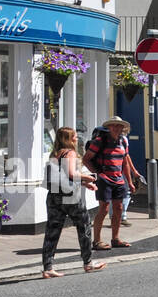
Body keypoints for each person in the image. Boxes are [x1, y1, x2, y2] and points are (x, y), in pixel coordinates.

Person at [41, 127, 106, 278]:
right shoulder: (69, 152)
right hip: (71, 198)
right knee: (84, 227)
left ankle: (48, 268)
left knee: (52, 231)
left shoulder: (55, 154)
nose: (77, 139)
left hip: (54, 197)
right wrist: (87, 177)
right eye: (74, 137)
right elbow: (71, 173)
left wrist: (84, 184)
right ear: (68, 139)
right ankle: (88, 263)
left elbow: (63, 178)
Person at [84, 118, 132, 251]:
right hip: (105, 179)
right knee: (104, 209)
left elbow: (125, 162)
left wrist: (130, 182)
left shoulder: (123, 141)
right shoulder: (100, 141)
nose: (116, 128)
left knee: (119, 208)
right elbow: (86, 159)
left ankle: (115, 239)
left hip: (119, 180)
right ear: (109, 127)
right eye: (113, 126)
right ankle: (97, 241)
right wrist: (98, 174)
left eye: (119, 126)